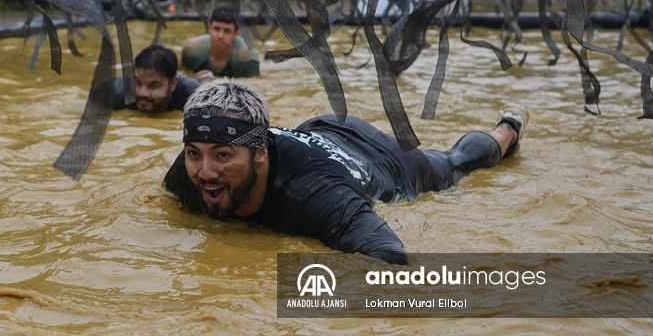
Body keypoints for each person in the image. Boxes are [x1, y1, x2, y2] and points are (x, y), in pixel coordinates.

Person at [163, 82, 527, 265]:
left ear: (259, 154)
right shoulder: (192, 168)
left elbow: (390, 258)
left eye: (223, 155)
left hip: (390, 161)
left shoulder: (314, 194)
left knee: (454, 163)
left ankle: (506, 129)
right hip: (322, 129)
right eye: (195, 154)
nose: (206, 172)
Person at [89, 45, 200, 114]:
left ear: (172, 84)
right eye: (137, 83)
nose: (142, 93)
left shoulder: (192, 95)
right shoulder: (112, 93)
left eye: (154, 86)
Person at [180, 7, 260, 81]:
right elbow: (183, 76)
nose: (220, 36)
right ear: (209, 28)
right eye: (216, 29)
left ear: (236, 33)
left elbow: (253, 86)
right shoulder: (192, 50)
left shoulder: (247, 57)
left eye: (227, 31)